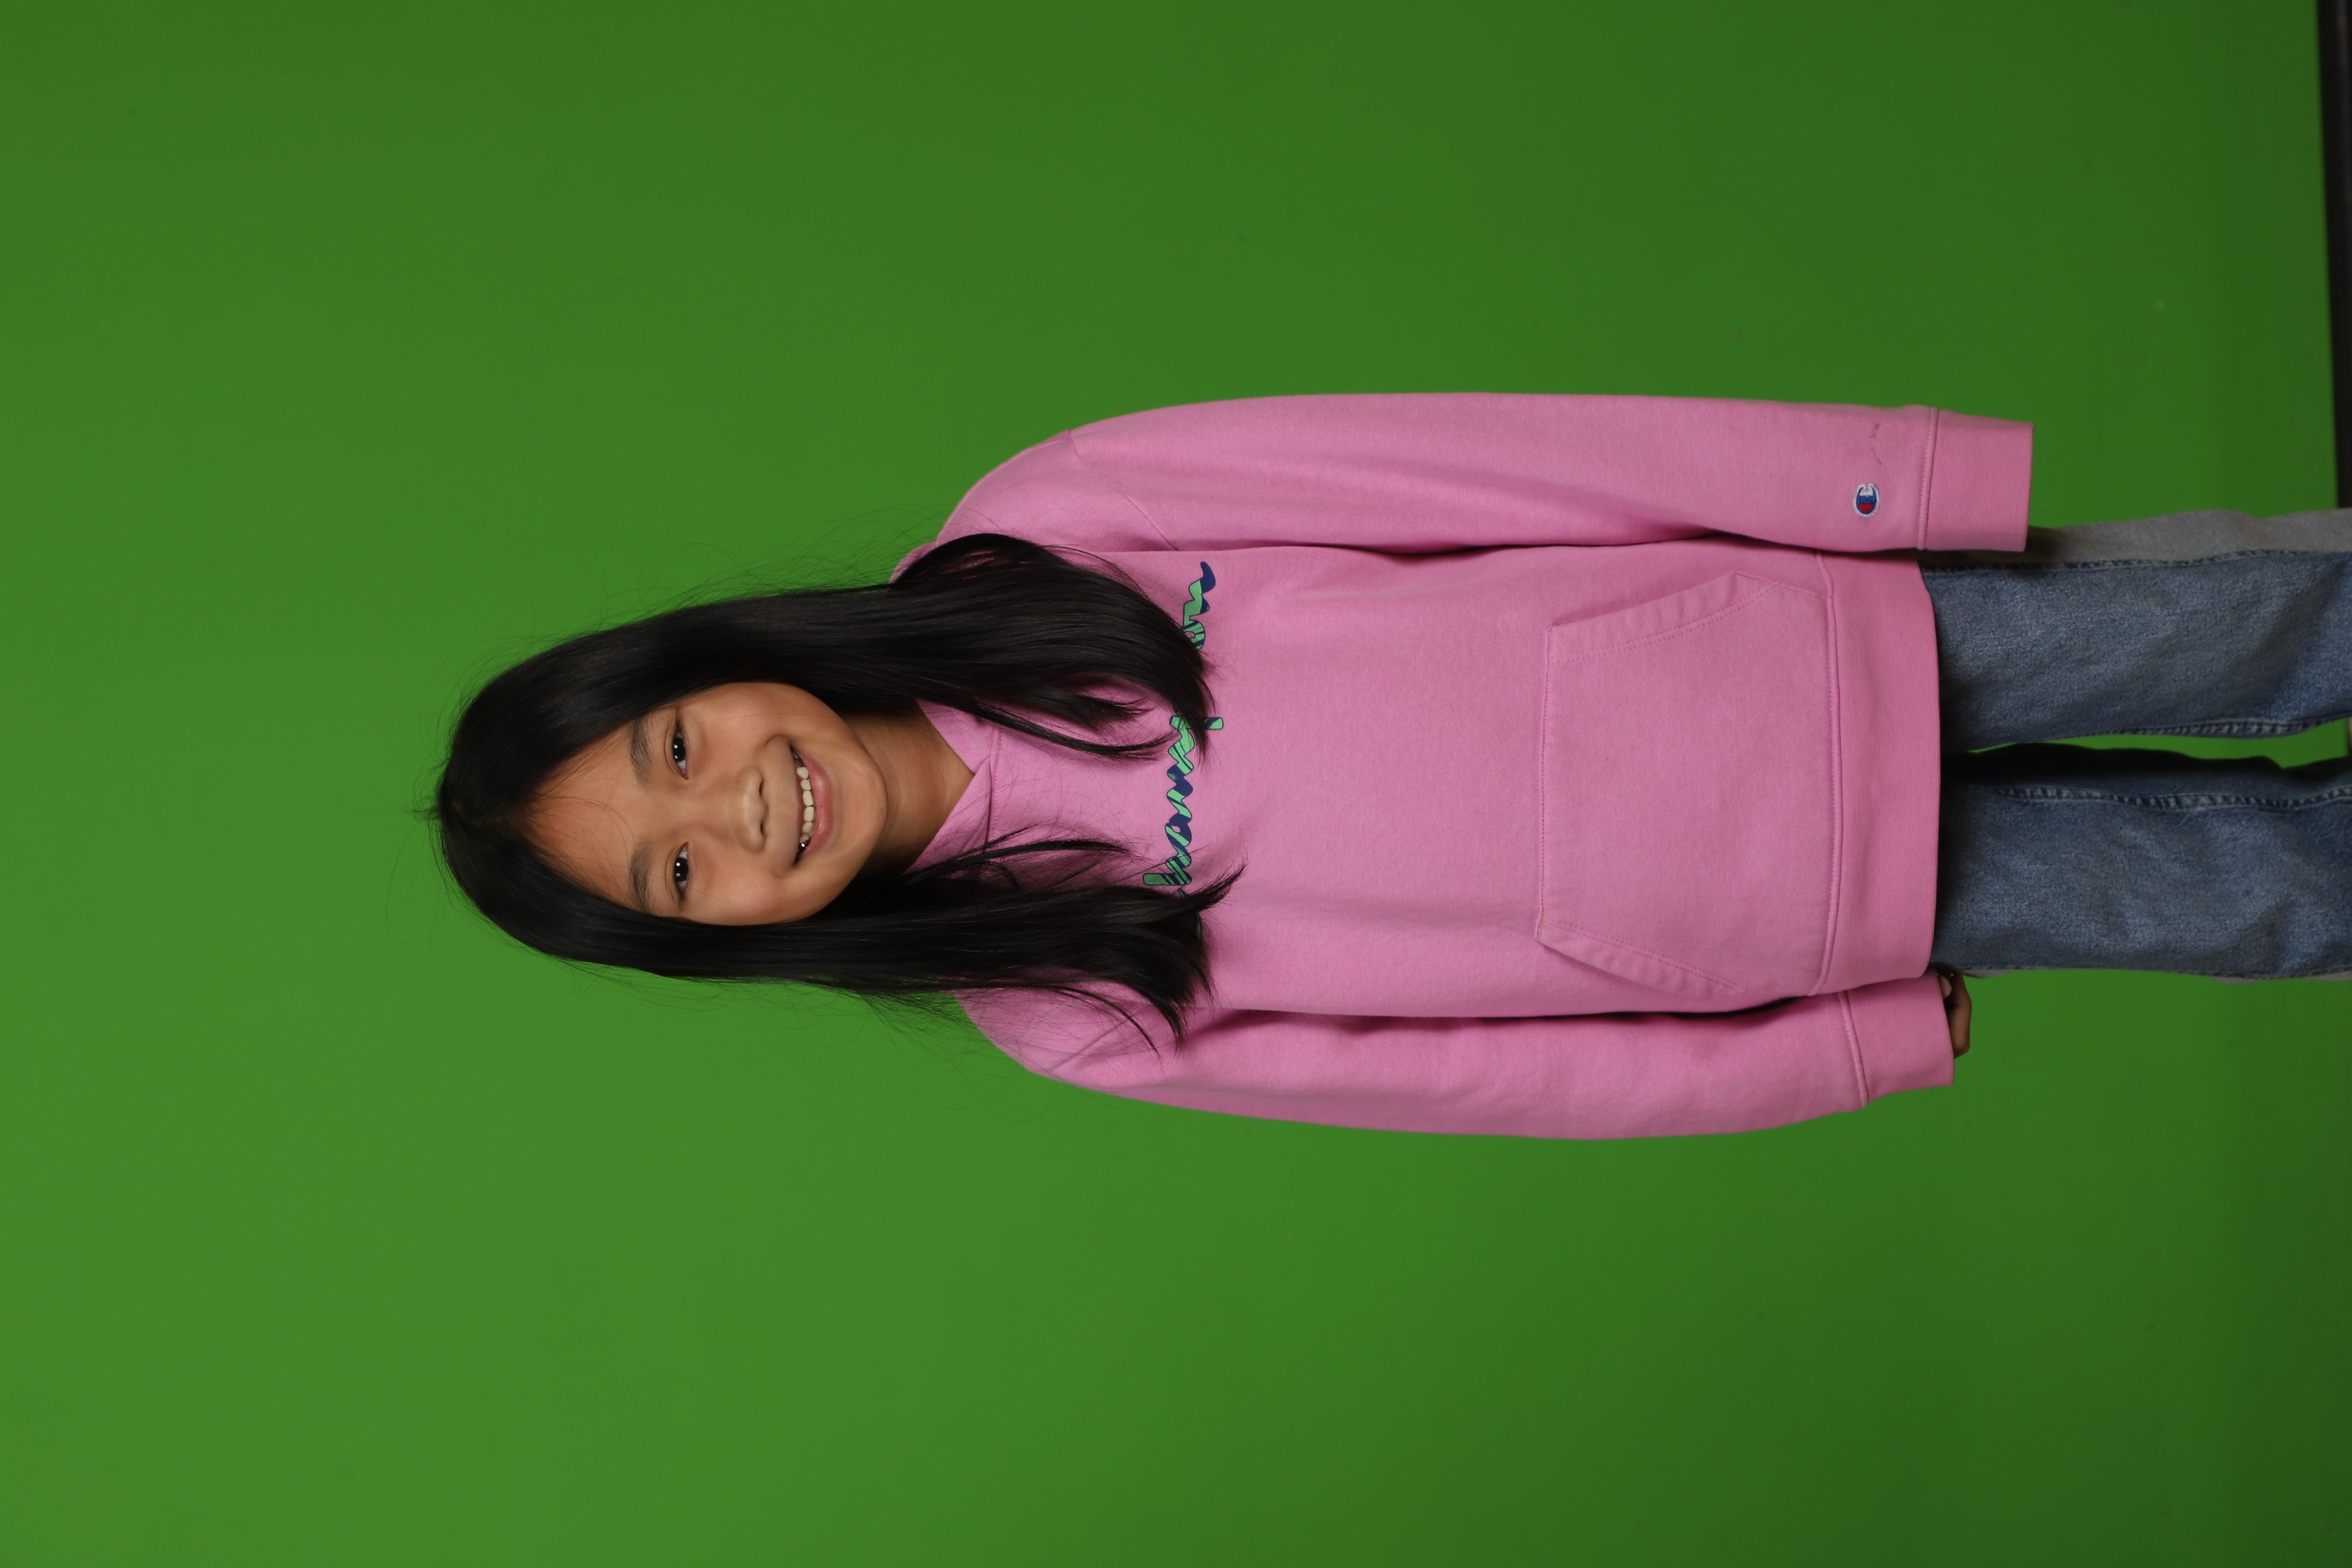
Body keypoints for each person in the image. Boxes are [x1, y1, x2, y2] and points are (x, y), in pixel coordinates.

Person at [433, 394, 2352, 1139]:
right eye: (676, 869)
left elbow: (1481, 460)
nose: (734, 809)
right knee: (2265, 897)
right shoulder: (1059, 1007)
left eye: (672, 747)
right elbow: (1488, 1083)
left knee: (2276, 617)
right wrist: (1832, 1047)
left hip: (1817, 625)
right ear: (714, 938)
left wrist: (1873, 489)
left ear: (710, 663)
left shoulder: (1040, 531)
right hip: (1799, 910)